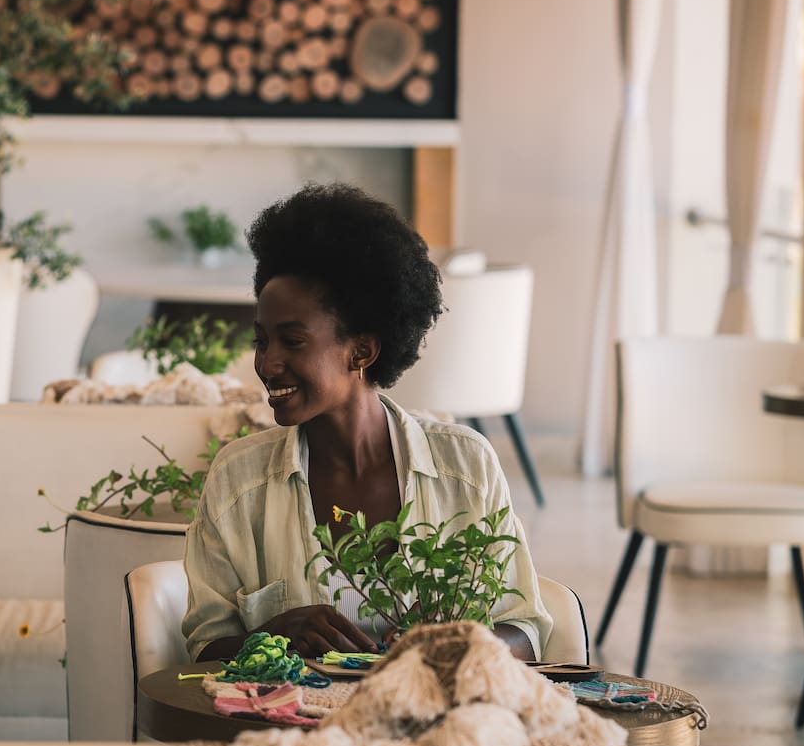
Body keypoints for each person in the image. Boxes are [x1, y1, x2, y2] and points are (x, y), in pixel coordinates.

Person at [182, 185, 551, 662]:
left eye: (292, 342)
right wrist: (273, 634)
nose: (267, 363)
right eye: (261, 341)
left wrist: (458, 648)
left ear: (361, 351)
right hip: (292, 730)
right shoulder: (240, 479)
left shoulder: (465, 466)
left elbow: (526, 631)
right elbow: (203, 649)